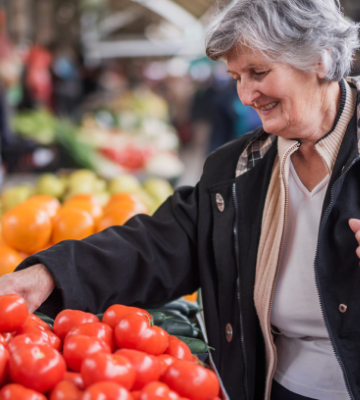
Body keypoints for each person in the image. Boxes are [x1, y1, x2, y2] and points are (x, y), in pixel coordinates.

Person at [1, 0, 360, 399]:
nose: (245, 94)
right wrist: (46, 275)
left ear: (321, 60)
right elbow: (156, 245)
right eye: (236, 76)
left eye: (258, 73)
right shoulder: (235, 169)